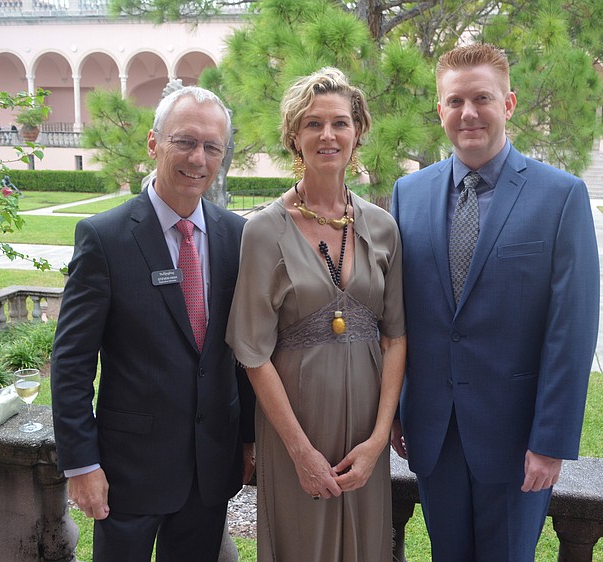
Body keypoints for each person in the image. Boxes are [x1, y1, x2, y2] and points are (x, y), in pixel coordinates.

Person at [390, 43, 600, 561]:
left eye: (481, 98)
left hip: (516, 439)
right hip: (434, 433)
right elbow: (396, 316)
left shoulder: (560, 196)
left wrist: (550, 441)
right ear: (440, 109)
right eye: (455, 101)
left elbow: (571, 331)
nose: (468, 113)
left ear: (508, 104)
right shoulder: (407, 194)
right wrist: (395, 410)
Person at [51, 85, 255, 562]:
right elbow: (72, 362)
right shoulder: (104, 238)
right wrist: (81, 464)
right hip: (129, 472)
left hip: (210, 468)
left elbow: (243, 351)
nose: (198, 158)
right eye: (185, 141)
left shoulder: (237, 236)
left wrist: (246, 437)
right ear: (153, 143)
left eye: (212, 147)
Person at [226, 67, 406, 561]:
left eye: (340, 123)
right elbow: (253, 353)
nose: (328, 134)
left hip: (365, 434)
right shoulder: (263, 231)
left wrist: (377, 441)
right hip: (295, 431)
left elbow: (395, 338)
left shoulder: (383, 228)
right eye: (313, 123)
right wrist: (300, 452)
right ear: (293, 136)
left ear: (357, 132)